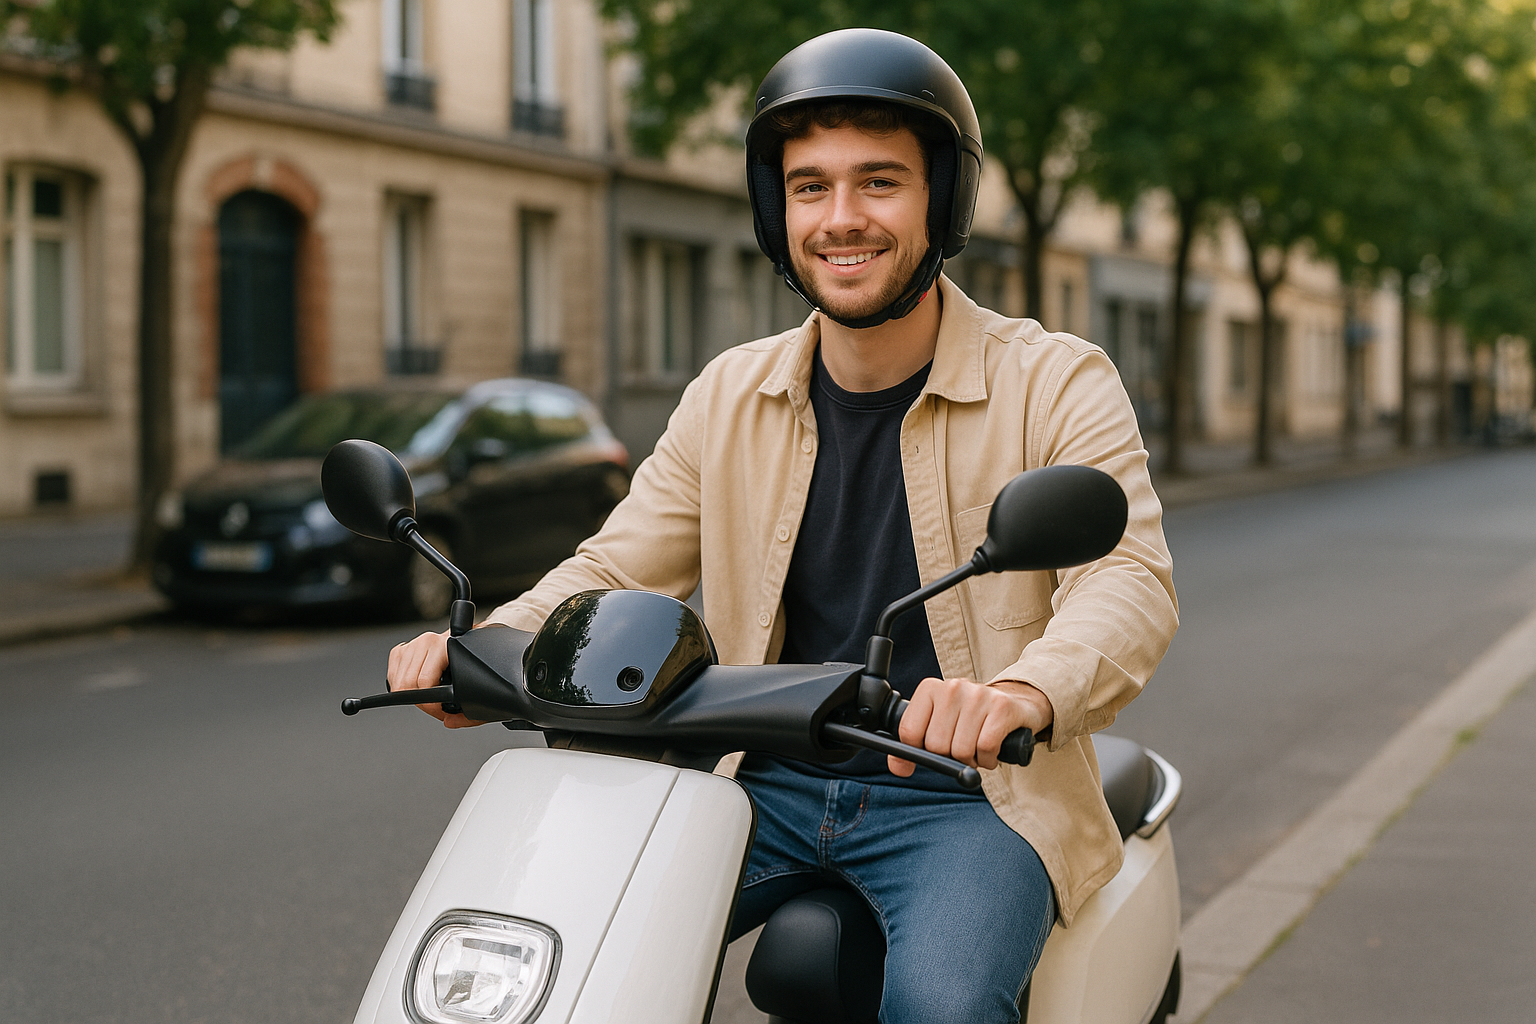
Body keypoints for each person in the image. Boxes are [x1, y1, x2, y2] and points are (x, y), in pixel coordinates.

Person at [386, 27, 1177, 1024]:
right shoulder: (731, 392)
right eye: (810, 187)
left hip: (969, 797)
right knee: (553, 945)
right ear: (777, 208)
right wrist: (487, 644)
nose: (840, 218)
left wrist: (1019, 690)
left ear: (943, 197)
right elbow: (613, 563)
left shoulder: (1055, 379)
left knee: (942, 1007)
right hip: (754, 784)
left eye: (878, 182)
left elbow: (1128, 582)